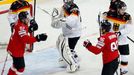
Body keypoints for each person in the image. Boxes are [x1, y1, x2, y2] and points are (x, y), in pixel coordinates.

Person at [51, 0, 82, 72]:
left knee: (64, 46)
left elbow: (72, 22)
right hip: (68, 33)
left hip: (74, 34)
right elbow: (55, 25)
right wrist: (55, 19)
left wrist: (63, 20)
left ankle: (73, 64)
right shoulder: (63, 7)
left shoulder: (74, 8)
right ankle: (71, 55)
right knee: (59, 42)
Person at [103, 1, 133, 75]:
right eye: (122, 9)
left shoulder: (127, 16)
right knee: (112, 57)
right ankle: (112, 68)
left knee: (124, 55)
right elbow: (102, 23)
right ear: (117, 9)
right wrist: (102, 22)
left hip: (122, 40)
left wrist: (120, 33)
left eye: (124, 9)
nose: (124, 11)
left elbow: (130, 28)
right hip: (111, 40)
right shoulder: (108, 14)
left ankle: (123, 70)